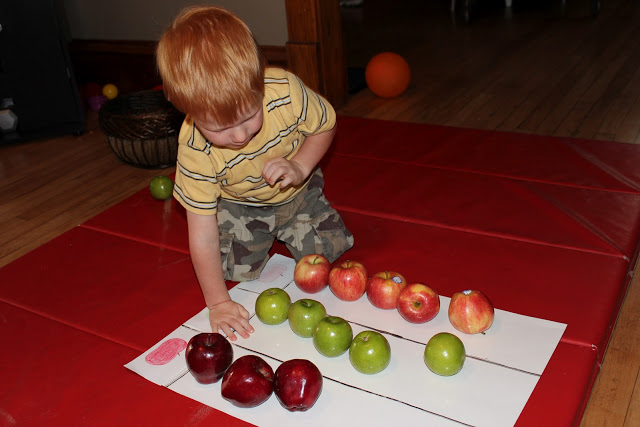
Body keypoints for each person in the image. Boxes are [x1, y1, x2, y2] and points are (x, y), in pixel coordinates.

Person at [156, 6, 353, 341]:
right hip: (241, 207)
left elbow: (326, 125)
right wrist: (217, 302)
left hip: (298, 190)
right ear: (186, 110)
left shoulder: (285, 91)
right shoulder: (194, 148)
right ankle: (258, 237)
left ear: (260, 80)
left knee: (332, 249)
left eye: (248, 117)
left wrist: (300, 166)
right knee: (233, 271)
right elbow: (202, 234)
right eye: (219, 128)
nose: (239, 136)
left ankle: (298, 219)